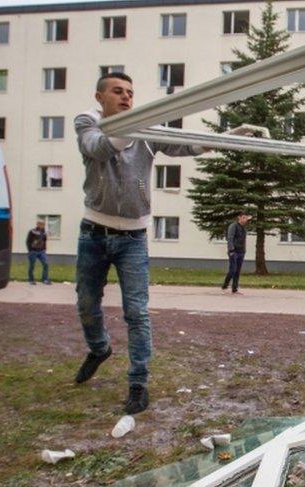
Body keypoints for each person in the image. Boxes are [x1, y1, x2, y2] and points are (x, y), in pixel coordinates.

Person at [71, 72, 207, 415]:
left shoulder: (145, 130)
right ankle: (100, 349)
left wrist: (226, 139)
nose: (126, 97)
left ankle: (138, 383)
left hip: (133, 238)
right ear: (100, 97)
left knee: (137, 312)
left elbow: (182, 144)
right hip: (93, 233)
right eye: (118, 91)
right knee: (87, 304)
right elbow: (99, 148)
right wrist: (140, 124)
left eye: (131, 92)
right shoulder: (88, 122)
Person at [222, 212, 252, 294]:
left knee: (238, 271)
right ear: (239, 217)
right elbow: (230, 238)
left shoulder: (244, 228)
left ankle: (234, 289)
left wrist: (244, 250)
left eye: (246, 218)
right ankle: (225, 286)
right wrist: (231, 250)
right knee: (233, 270)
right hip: (234, 252)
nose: (245, 220)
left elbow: (243, 240)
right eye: (244, 218)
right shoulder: (233, 226)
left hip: (241, 251)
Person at [26, 220, 51, 285]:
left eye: (43, 224)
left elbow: (44, 241)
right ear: (37, 224)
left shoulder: (44, 233)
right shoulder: (32, 231)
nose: (43, 225)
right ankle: (31, 280)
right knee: (32, 265)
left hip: (41, 251)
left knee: (46, 264)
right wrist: (30, 250)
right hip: (33, 251)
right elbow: (28, 241)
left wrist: (44, 249)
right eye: (41, 224)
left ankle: (45, 279)